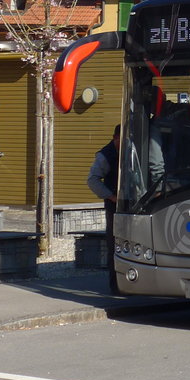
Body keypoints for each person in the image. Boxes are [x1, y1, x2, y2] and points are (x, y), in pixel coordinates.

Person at [86, 125, 121, 293]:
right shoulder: (105, 155)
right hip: (114, 205)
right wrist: (111, 196)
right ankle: (115, 285)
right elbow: (92, 180)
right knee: (113, 242)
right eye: (123, 140)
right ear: (115, 138)